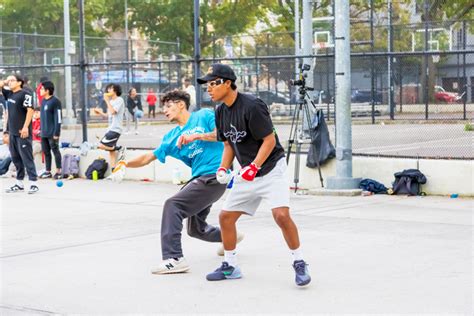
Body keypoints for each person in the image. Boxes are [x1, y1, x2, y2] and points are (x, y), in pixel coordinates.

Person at [197, 64, 311, 286]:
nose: (208, 89)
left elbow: (269, 141)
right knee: (225, 217)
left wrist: (254, 167)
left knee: (281, 215)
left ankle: (299, 262)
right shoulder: (220, 110)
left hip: (270, 169)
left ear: (227, 83)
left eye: (212, 84)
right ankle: (230, 266)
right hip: (247, 172)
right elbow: (229, 143)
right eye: (207, 85)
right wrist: (223, 168)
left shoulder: (252, 105)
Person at [110, 89, 243, 274]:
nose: (165, 110)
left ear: (181, 104)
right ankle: (230, 237)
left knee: (173, 205)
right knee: (196, 229)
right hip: (199, 179)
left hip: (216, 174)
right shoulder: (171, 138)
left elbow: (222, 133)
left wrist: (196, 136)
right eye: (164, 107)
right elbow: (148, 157)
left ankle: (174, 258)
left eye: (168, 106)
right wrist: (124, 164)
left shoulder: (203, 116)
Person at [0, 74, 39, 194]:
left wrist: (25, 127)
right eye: (9, 80)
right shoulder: (10, 94)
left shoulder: (25, 94)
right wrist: (6, 132)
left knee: (26, 158)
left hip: (22, 133)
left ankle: (33, 183)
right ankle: (19, 183)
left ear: (19, 82)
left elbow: (30, 110)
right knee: (16, 159)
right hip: (12, 133)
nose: (10, 82)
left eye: (12, 80)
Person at [94, 83, 125, 171]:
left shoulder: (120, 100)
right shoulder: (111, 102)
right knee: (111, 152)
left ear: (115, 90)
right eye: (108, 89)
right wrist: (99, 112)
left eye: (111, 88)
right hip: (111, 128)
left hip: (116, 129)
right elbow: (109, 116)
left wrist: (107, 101)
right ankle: (114, 170)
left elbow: (113, 112)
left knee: (100, 145)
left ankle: (117, 147)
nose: (108, 90)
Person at [38, 81, 62, 179]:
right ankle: (48, 171)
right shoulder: (43, 101)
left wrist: (57, 132)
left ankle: (58, 171)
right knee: (46, 152)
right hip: (44, 132)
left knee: (55, 151)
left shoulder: (55, 101)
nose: (40, 90)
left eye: (42, 89)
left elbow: (58, 118)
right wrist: (40, 130)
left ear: (47, 90)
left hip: (52, 133)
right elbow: (43, 117)